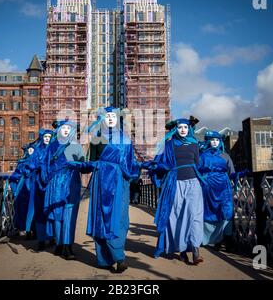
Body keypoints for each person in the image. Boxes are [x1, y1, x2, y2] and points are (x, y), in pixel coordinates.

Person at [80, 106, 140, 273]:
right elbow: (90, 161)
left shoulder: (126, 139)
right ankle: (108, 259)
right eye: (107, 116)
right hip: (101, 181)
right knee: (101, 217)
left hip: (120, 181)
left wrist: (142, 167)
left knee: (119, 218)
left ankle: (117, 255)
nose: (111, 118)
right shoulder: (96, 138)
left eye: (114, 116)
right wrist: (80, 165)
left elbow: (131, 162)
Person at [143, 118, 205, 265]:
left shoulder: (195, 144)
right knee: (176, 216)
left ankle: (196, 250)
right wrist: (154, 167)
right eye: (180, 127)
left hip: (193, 183)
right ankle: (182, 249)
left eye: (185, 127)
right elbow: (161, 162)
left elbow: (198, 164)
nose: (183, 129)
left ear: (189, 129)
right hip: (175, 183)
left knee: (194, 215)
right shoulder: (169, 144)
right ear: (175, 129)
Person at [41, 119, 85, 260]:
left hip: (72, 182)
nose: (66, 130)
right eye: (63, 127)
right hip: (56, 184)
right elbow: (45, 165)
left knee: (69, 215)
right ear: (58, 129)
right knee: (57, 215)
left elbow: (83, 166)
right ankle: (60, 244)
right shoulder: (52, 146)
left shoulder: (76, 146)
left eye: (69, 128)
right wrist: (46, 181)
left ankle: (67, 246)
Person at [198, 131, 235, 250]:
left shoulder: (225, 156)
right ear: (208, 141)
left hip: (224, 187)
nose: (215, 142)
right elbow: (197, 171)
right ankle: (215, 241)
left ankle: (227, 240)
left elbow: (232, 172)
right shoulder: (202, 156)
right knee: (210, 213)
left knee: (226, 211)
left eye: (217, 140)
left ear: (220, 142)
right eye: (212, 139)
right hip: (208, 188)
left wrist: (239, 176)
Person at [31, 129, 55, 251]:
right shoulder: (37, 150)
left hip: (51, 184)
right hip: (39, 184)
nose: (47, 139)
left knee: (50, 210)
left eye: (49, 137)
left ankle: (51, 237)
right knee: (40, 211)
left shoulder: (54, 149)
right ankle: (41, 239)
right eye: (45, 136)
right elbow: (31, 164)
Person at [8, 142, 37, 238]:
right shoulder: (22, 162)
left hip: (34, 187)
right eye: (29, 150)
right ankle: (22, 228)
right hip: (23, 188)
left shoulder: (38, 161)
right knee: (21, 207)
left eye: (32, 150)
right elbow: (15, 175)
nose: (31, 151)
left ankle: (33, 230)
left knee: (34, 208)